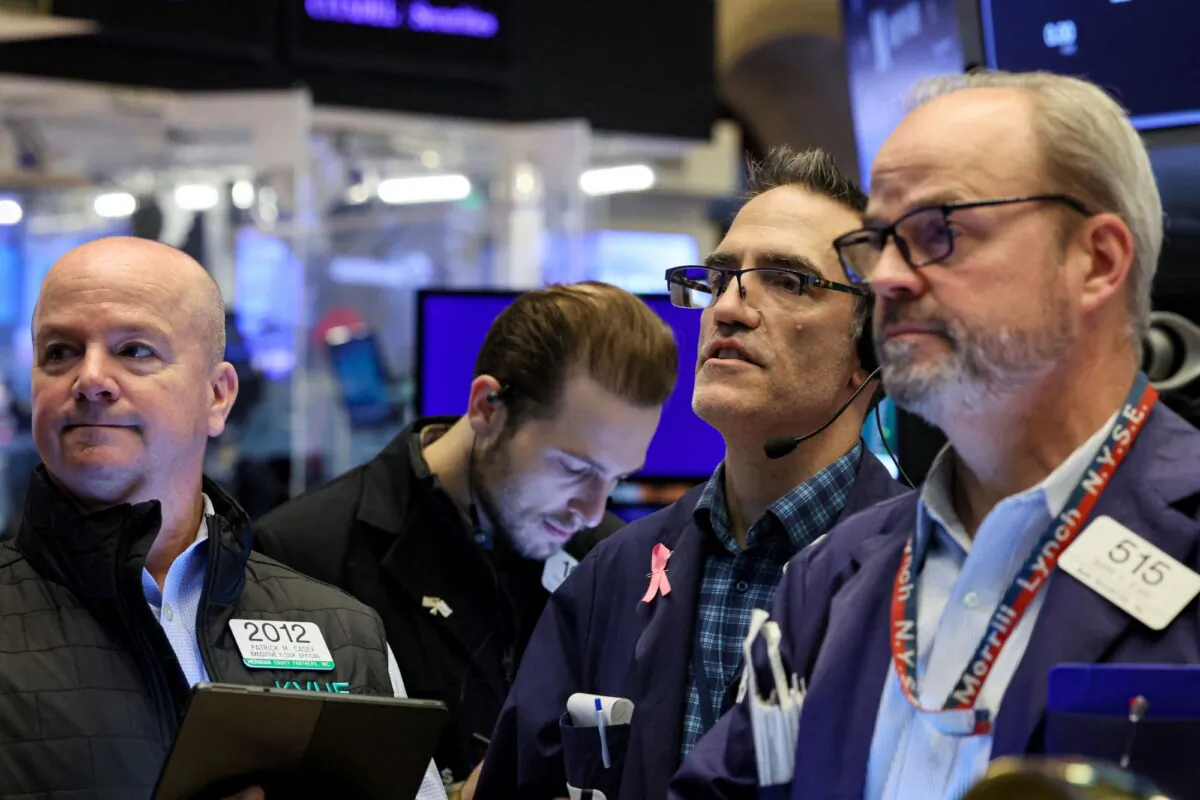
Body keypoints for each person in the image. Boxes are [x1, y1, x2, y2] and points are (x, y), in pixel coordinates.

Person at [673, 71, 1200, 799]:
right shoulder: (832, 577)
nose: (886, 277)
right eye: (880, 241)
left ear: (1097, 261)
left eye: (937, 231)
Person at [473, 147, 908, 800]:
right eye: (722, 276)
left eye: (789, 280)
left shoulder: (924, 568)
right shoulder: (611, 576)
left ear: (873, 347)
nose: (728, 308)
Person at [0, 236, 445, 799]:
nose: (90, 379)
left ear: (218, 396)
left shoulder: (344, 632)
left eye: (135, 350)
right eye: (59, 351)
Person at [253, 282, 678, 789]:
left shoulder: (608, 562)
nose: (592, 511)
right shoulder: (298, 556)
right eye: (573, 467)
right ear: (487, 408)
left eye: (617, 478)